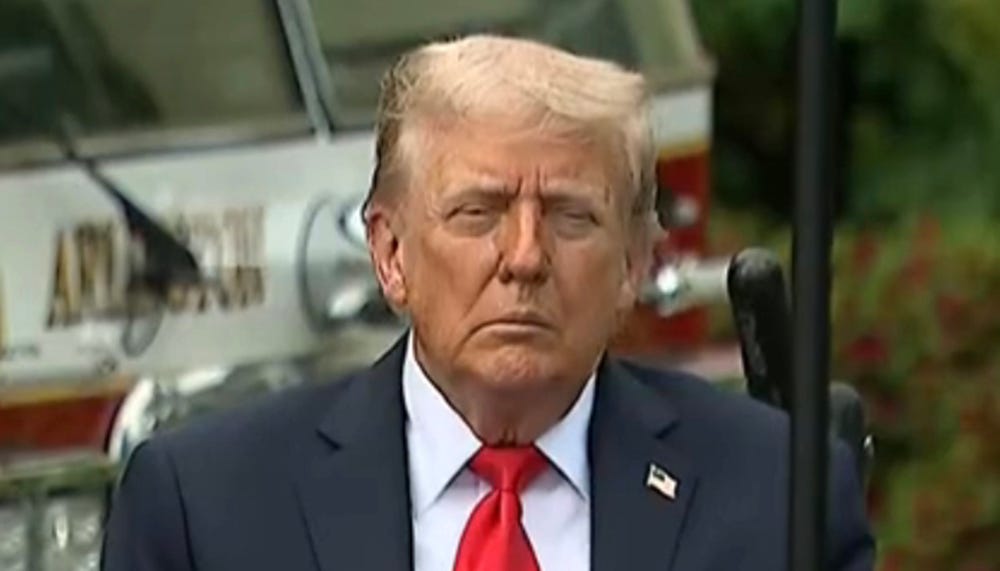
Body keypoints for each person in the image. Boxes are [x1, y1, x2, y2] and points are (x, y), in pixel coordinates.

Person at [102, 35, 875, 570]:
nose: (526, 256)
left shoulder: (779, 493)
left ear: (633, 263)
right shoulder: (206, 507)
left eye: (571, 216)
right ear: (391, 253)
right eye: (478, 213)